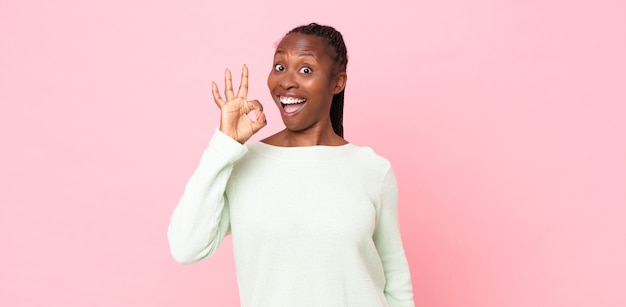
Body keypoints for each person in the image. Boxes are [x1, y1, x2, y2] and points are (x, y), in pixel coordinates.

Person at [168, 23, 415, 307]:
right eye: (279, 67)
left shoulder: (372, 170)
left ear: (337, 82)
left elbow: (396, 282)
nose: (286, 82)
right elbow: (186, 248)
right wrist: (224, 145)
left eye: (306, 70)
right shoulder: (241, 163)